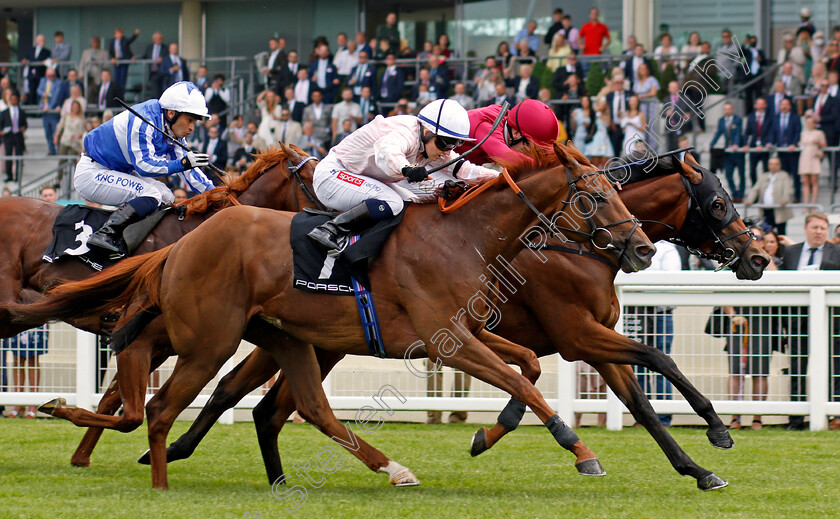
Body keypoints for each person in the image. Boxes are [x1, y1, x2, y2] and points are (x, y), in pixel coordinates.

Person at [308, 99, 501, 251]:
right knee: (393, 202)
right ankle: (329, 230)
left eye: (455, 144)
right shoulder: (407, 132)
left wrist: (502, 177)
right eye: (445, 143)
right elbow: (386, 150)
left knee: (412, 203)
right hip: (334, 174)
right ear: (427, 132)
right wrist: (406, 169)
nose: (447, 150)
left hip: (360, 177)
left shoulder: (431, 143)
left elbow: (463, 169)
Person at [73, 81, 215, 255]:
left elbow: (190, 172)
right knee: (152, 194)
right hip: (92, 173)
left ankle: (146, 245)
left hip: (115, 170)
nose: (192, 127)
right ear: (171, 113)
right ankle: (106, 234)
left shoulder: (172, 128)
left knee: (166, 196)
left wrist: (216, 193)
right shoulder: (144, 120)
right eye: (189, 120)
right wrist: (183, 163)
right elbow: (144, 166)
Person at [781, 213, 840, 430]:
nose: (819, 232)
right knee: (797, 367)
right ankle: (795, 419)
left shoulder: (837, 251)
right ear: (806, 229)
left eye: (823, 228)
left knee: (833, 367)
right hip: (798, 320)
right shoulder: (790, 252)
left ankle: (834, 415)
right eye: (815, 227)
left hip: (830, 322)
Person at [632, 240, 681, 427]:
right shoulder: (635, 245)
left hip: (661, 312)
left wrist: (641, 285)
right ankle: (643, 417)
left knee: (663, 364)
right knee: (638, 363)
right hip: (637, 311)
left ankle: (663, 418)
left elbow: (670, 282)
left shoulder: (667, 249)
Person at [745, 156, 793, 235]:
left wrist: (785, 199)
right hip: (766, 210)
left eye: (776, 164)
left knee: (781, 232)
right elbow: (755, 189)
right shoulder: (764, 176)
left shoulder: (784, 175)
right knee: (766, 232)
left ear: (779, 165)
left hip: (779, 209)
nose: (773, 166)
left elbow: (787, 190)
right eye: (771, 164)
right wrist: (750, 200)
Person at [710, 102, 745, 201]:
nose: (727, 111)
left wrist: (736, 144)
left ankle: (740, 195)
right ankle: (734, 193)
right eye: (725, 109)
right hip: (727, 151)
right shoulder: (721, 120)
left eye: (729, 109)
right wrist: (712, 144)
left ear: (732, 110)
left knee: (741, 173)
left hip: (737, 151)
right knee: (728, 173)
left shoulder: (738, 119)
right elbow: (718, 133)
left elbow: (738, 133)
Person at [742, 97, 775, 186]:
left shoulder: (770, 117)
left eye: (762, 104)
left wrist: (767, 143)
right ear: (755, 105)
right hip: (753, 147)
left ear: (765, 105)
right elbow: (747, 132)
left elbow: (771, 132)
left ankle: (765, 188)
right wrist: (745, 144)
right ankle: (755, 189)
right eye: (758, 104)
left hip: (764, 148)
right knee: (752, 171)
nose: (760, 106)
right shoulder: (751, 117)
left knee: (765, 170)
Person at [773, 98, 801, 201]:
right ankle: (784, 196)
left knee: (795, 174)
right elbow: (773, 132)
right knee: (783, 175)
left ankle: (797, 196)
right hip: (781, 151)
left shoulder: (795, 117)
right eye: (782, 104)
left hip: (792, 151)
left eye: (786, 104)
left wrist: (793, 144)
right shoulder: (776, 118)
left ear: (790, 106)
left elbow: (797, 132)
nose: (784, 106)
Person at [798, 113, 827, 206]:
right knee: (805, 182)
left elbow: (824, 145)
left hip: (814, 156)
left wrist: (818, 142)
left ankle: (814, 203)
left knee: (814, 181)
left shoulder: (819, 133)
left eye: (811, 122)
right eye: (808, 123)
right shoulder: (803, 133)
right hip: (804, 156)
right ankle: (806, 204)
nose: (809, 124)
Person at [0, 90, 26, 182]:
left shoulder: (22, 112)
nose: (14, 101)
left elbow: (25, 124)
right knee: (8, 156)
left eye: (15, 99)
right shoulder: (5, 112)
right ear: (10, 100)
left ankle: (18, 176)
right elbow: (1, 124)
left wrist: (23, 128)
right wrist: (2, 131)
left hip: (18, 136)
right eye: (12, 99)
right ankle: (9, 175)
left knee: (19, 157)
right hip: (8, 136)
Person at [632, 63, 659, 148]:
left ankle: (653, 150)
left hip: (650, 106)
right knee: (642, 127)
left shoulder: (652, 79)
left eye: (644, 68)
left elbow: (653, 92)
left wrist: (642, 96)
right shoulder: (637, 82)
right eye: (641, 69)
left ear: (647, 70)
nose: (642, 70)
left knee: (651, 128)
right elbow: (635, 94)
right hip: (640, 108)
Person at [22, 34, 50, 105]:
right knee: (32, 92)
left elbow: (48, 61)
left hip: (41, 75)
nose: (43, 42)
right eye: (41, 40)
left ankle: (39, 109)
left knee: (40, 92)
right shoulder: (30, 50)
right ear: (37, 41)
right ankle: (32, 110)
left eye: (44, 40)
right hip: (32, 75)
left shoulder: (46, 51)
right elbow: (26, 58)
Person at [142, 32, 168, 97]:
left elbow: (168, 58)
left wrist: (162, 59)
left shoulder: (165, 48)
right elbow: (145, 56)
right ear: (154, 39)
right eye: (158, 38)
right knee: (155, 92)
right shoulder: (149, 47)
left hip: (162, 73)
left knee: (163, 91)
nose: (159, 40)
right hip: (153, 72)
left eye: (160, 38)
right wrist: (135, 59)